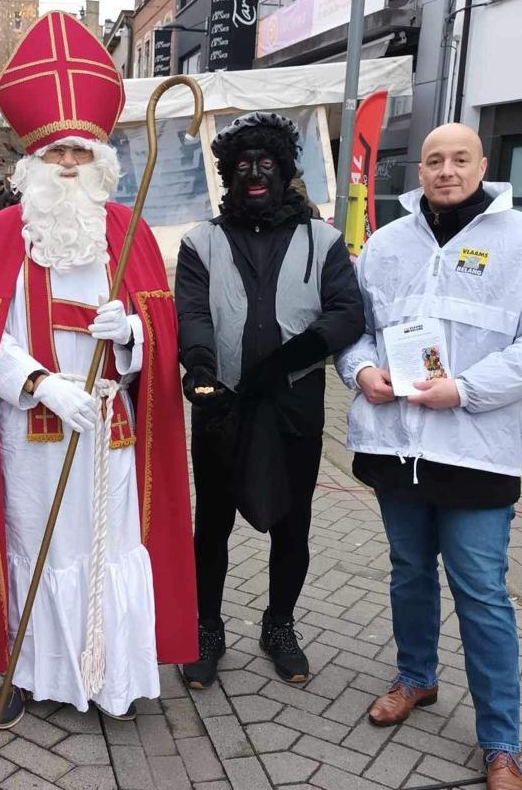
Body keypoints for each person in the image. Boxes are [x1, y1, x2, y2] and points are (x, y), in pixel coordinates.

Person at [0, 11, 196, 729]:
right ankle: (32, 670)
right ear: (31, 162)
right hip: (33, 425)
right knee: (38, 539)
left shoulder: (126, 231)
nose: (69, 164)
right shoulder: (6, 230)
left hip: (109, 426)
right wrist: (39, 383)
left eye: (81, 152)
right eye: (57, 153)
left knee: (108, 542)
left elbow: (160, 327)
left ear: (102, 160)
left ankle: (108, 675)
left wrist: (131, 335)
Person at [336, 123, 522, 790]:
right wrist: (360, 375)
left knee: (481, 593)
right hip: (399, 446)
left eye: (460, 159)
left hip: (478, 450)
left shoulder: (518, 240)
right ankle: (416, 678)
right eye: (436, 160)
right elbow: (351, 331)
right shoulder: (385, 245)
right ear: (419, 168)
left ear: (483, 165)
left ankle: (503, 740)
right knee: (409, 571)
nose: (447, 171)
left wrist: (466, 390)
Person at [175, 112, 364, 689]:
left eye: (265, 165)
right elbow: (192, 311)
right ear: (229, 176)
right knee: (211, 526)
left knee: (294, 524)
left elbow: (346, 312)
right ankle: (207, 629)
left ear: (283, 170)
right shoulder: (200, 240)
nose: (254, 175)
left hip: (293, 406)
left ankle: (279, 625)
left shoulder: (324, 240)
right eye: (242, 167)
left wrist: (288, 359)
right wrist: (201, 367)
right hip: (222, 404)